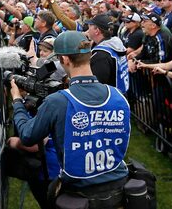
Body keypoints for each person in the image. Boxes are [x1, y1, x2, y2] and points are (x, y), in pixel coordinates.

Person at [11, 31, 130, 205]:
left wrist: (17, 101)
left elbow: (28, 136)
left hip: (79, 191)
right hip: (118, 184)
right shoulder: (118, 95)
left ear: (65, 59)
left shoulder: (58, 101)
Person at [83, 14, 128, 91]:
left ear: (97, 31)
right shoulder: (115, 45)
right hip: (120, 95)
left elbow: (97, 85)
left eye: (89, 26)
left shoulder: (101, 55)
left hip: (111, 99)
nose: (87, 30)